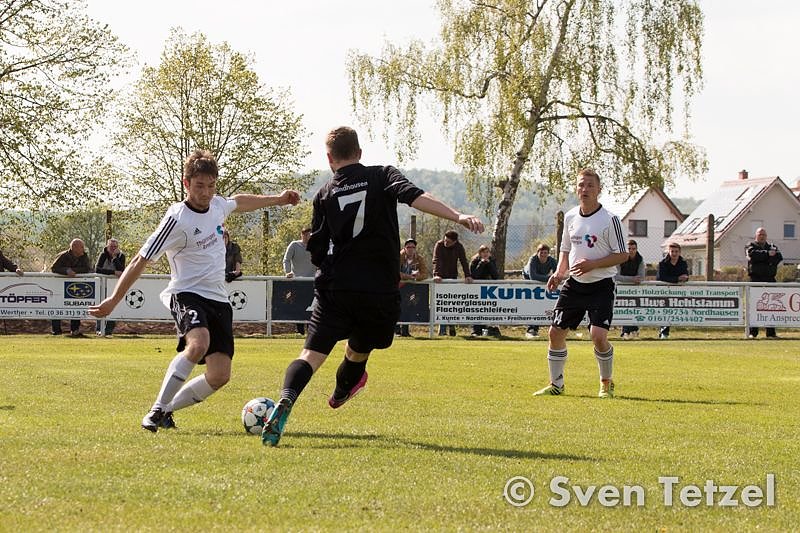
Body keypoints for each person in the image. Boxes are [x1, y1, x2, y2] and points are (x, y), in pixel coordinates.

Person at [261, 126, 483, 447]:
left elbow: (318, 249)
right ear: (360, 153)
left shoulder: (323, 194)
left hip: (336, 287)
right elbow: (416, 197)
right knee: (360, 348)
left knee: (310, 354)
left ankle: (286, 398)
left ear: (329, 159)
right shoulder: (381, 175)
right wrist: (458, 215)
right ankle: (342, 388)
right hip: (377, 289)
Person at [89, 149, 300, 432]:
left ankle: (167, 411)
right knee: (197, 344)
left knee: (219, 375)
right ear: (186, 184)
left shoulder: (217, 206)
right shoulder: (177, 219)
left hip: (219, 299)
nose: (206, 192)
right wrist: (114, 299)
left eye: (211, 186)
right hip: (186, 293)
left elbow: (238, 201)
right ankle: (156, 409)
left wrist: (279, 199)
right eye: (199, 186)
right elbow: (141, 259)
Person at [533, 168, 627, 399]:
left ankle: (606, 383)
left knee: (598, 336)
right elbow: (566, 250)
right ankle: (556, 384)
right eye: (581, 185)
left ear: (599, 190)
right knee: (555, 333)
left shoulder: (610, 220)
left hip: (601, 285)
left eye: (590, 186)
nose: (584, 190)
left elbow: (623, 255)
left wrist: (593, 264)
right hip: (574, 284)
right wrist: (558, 273)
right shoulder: (571, 216)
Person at [432, 230, 472, 336]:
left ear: (455, 242)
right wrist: (437, 274)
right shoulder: (439, 245)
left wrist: (467, 275)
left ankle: (452, 326)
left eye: (448, 242)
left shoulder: (459, 247)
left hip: (452, 276)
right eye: (445, 240)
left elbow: (463, 261)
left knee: (451, 303)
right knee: (442, 303)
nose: (446, 243)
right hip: (440, 279)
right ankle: (442, 329)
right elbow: (436, 260)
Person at [746, 227, 783, 338]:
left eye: (764, 234)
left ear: (766, 236)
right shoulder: (750, 246)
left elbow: (778, 258)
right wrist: (767, 255)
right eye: (760, 234)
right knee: (754, 306)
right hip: (755, 279)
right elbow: (753, 256)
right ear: (756, 235)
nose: (762, 236)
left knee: (771, 307)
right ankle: (753, 332)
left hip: (770, 279)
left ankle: (771, 333)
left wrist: (764, 258)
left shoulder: (772, 246)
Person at [51, 238, 92, 337]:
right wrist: (66, 271)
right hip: (59, 286)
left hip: (75, 286)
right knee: (57, 306)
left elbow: (87, 269)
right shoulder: (63, 256)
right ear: (74, 247)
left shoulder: (84, 256)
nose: (83, 249)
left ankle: (75, 330)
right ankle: (56, 331)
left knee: (75, 305)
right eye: (81, 247)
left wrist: (73, 270)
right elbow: (54, 268)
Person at [283, 227, 315, 334]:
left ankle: (310, 328)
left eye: (309, 235)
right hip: (297, 280)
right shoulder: (294, 245)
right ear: (301, 235)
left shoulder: (316, 246)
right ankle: (299, 327)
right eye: (305, 235)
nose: (307, 237)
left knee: (311, 304)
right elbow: (286, 260)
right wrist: (287, 273)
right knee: (298, 304)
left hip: (312, 280)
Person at [523, 243, 557, 337]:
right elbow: (533, 276)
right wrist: (549, 278)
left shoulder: (552, 261)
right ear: (537, 253)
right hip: (528, 278)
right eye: (541, 253)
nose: (543, 255)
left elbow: (557, 274)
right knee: (533, 302)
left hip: (543, 278)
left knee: (542, 302)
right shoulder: (533, 259)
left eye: (545, 253)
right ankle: (532, 328)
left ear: (548, 254)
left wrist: (552, 278)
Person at [656, 242, 689, 339]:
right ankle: (664, 332)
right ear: (669, 252)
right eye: (672, 251)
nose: (674, 254)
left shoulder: (683, 263)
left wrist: (685, 278)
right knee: (665, 311)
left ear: (679, 252)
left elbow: (686, 275)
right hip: (664, 292)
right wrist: (677, 279)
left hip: (678, 292)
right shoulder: (663, 263)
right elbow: (660, 277)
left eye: (676, 251)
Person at [94, 238, 126, 337]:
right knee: (101, 307)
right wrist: (112, 272)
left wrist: (115, 258)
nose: (113, 248)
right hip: (102, 285)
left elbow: (122, 270)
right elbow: (97, 269)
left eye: (115, 247)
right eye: (111, 246)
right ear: (107, 246)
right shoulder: (103, 255)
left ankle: (108, 331)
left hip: (115, 286)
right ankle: (99, 329)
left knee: (113, 308)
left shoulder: (121, 256)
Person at [397, 238, 428, 337]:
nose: (411, 249)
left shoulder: (419, 258)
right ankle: (396, 330)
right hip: (397, 286)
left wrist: (417, 277)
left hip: (409, 287)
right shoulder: (399, 257)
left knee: (407, 306)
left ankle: (405, 331)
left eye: (413, 247)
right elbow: (395, 271)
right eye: (408, 247)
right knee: (397, 307)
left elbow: (425, 274)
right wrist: (408, 277)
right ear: (404, 248)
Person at [615, 239, 645, 339]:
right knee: (625, 309)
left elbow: (641, 276)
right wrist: (631, 279)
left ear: (636, 249)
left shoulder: (640, 259)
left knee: (633, 309)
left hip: (635, 288)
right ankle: (627, 331)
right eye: (629, 249)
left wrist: (636, 280)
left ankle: (631, 331)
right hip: (622, 288)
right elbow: (616, 276)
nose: (631, 251)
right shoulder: (620, 258)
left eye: (633, 249)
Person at [469, 245, 500, 337]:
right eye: (483, 252)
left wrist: (489, 264)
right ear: (479, 253)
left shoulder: (492, 261)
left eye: (487, 252)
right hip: (476, 289)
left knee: (486, 310)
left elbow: (495, 276)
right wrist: (481, 264)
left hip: (487, 290)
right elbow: (474, 275)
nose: (485, 254)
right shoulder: (474, 261)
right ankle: (476, 330)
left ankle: (486, 329)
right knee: (476, 309)